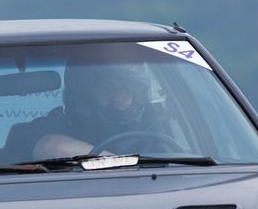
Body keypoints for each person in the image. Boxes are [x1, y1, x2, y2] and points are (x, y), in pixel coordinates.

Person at [9, 47, 163, 161]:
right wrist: (130, 167)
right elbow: (56, 148)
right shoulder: (54, 124)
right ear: (82, 93)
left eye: (126, 86)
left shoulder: (158, 122)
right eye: (106, 87)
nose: (118, 95)